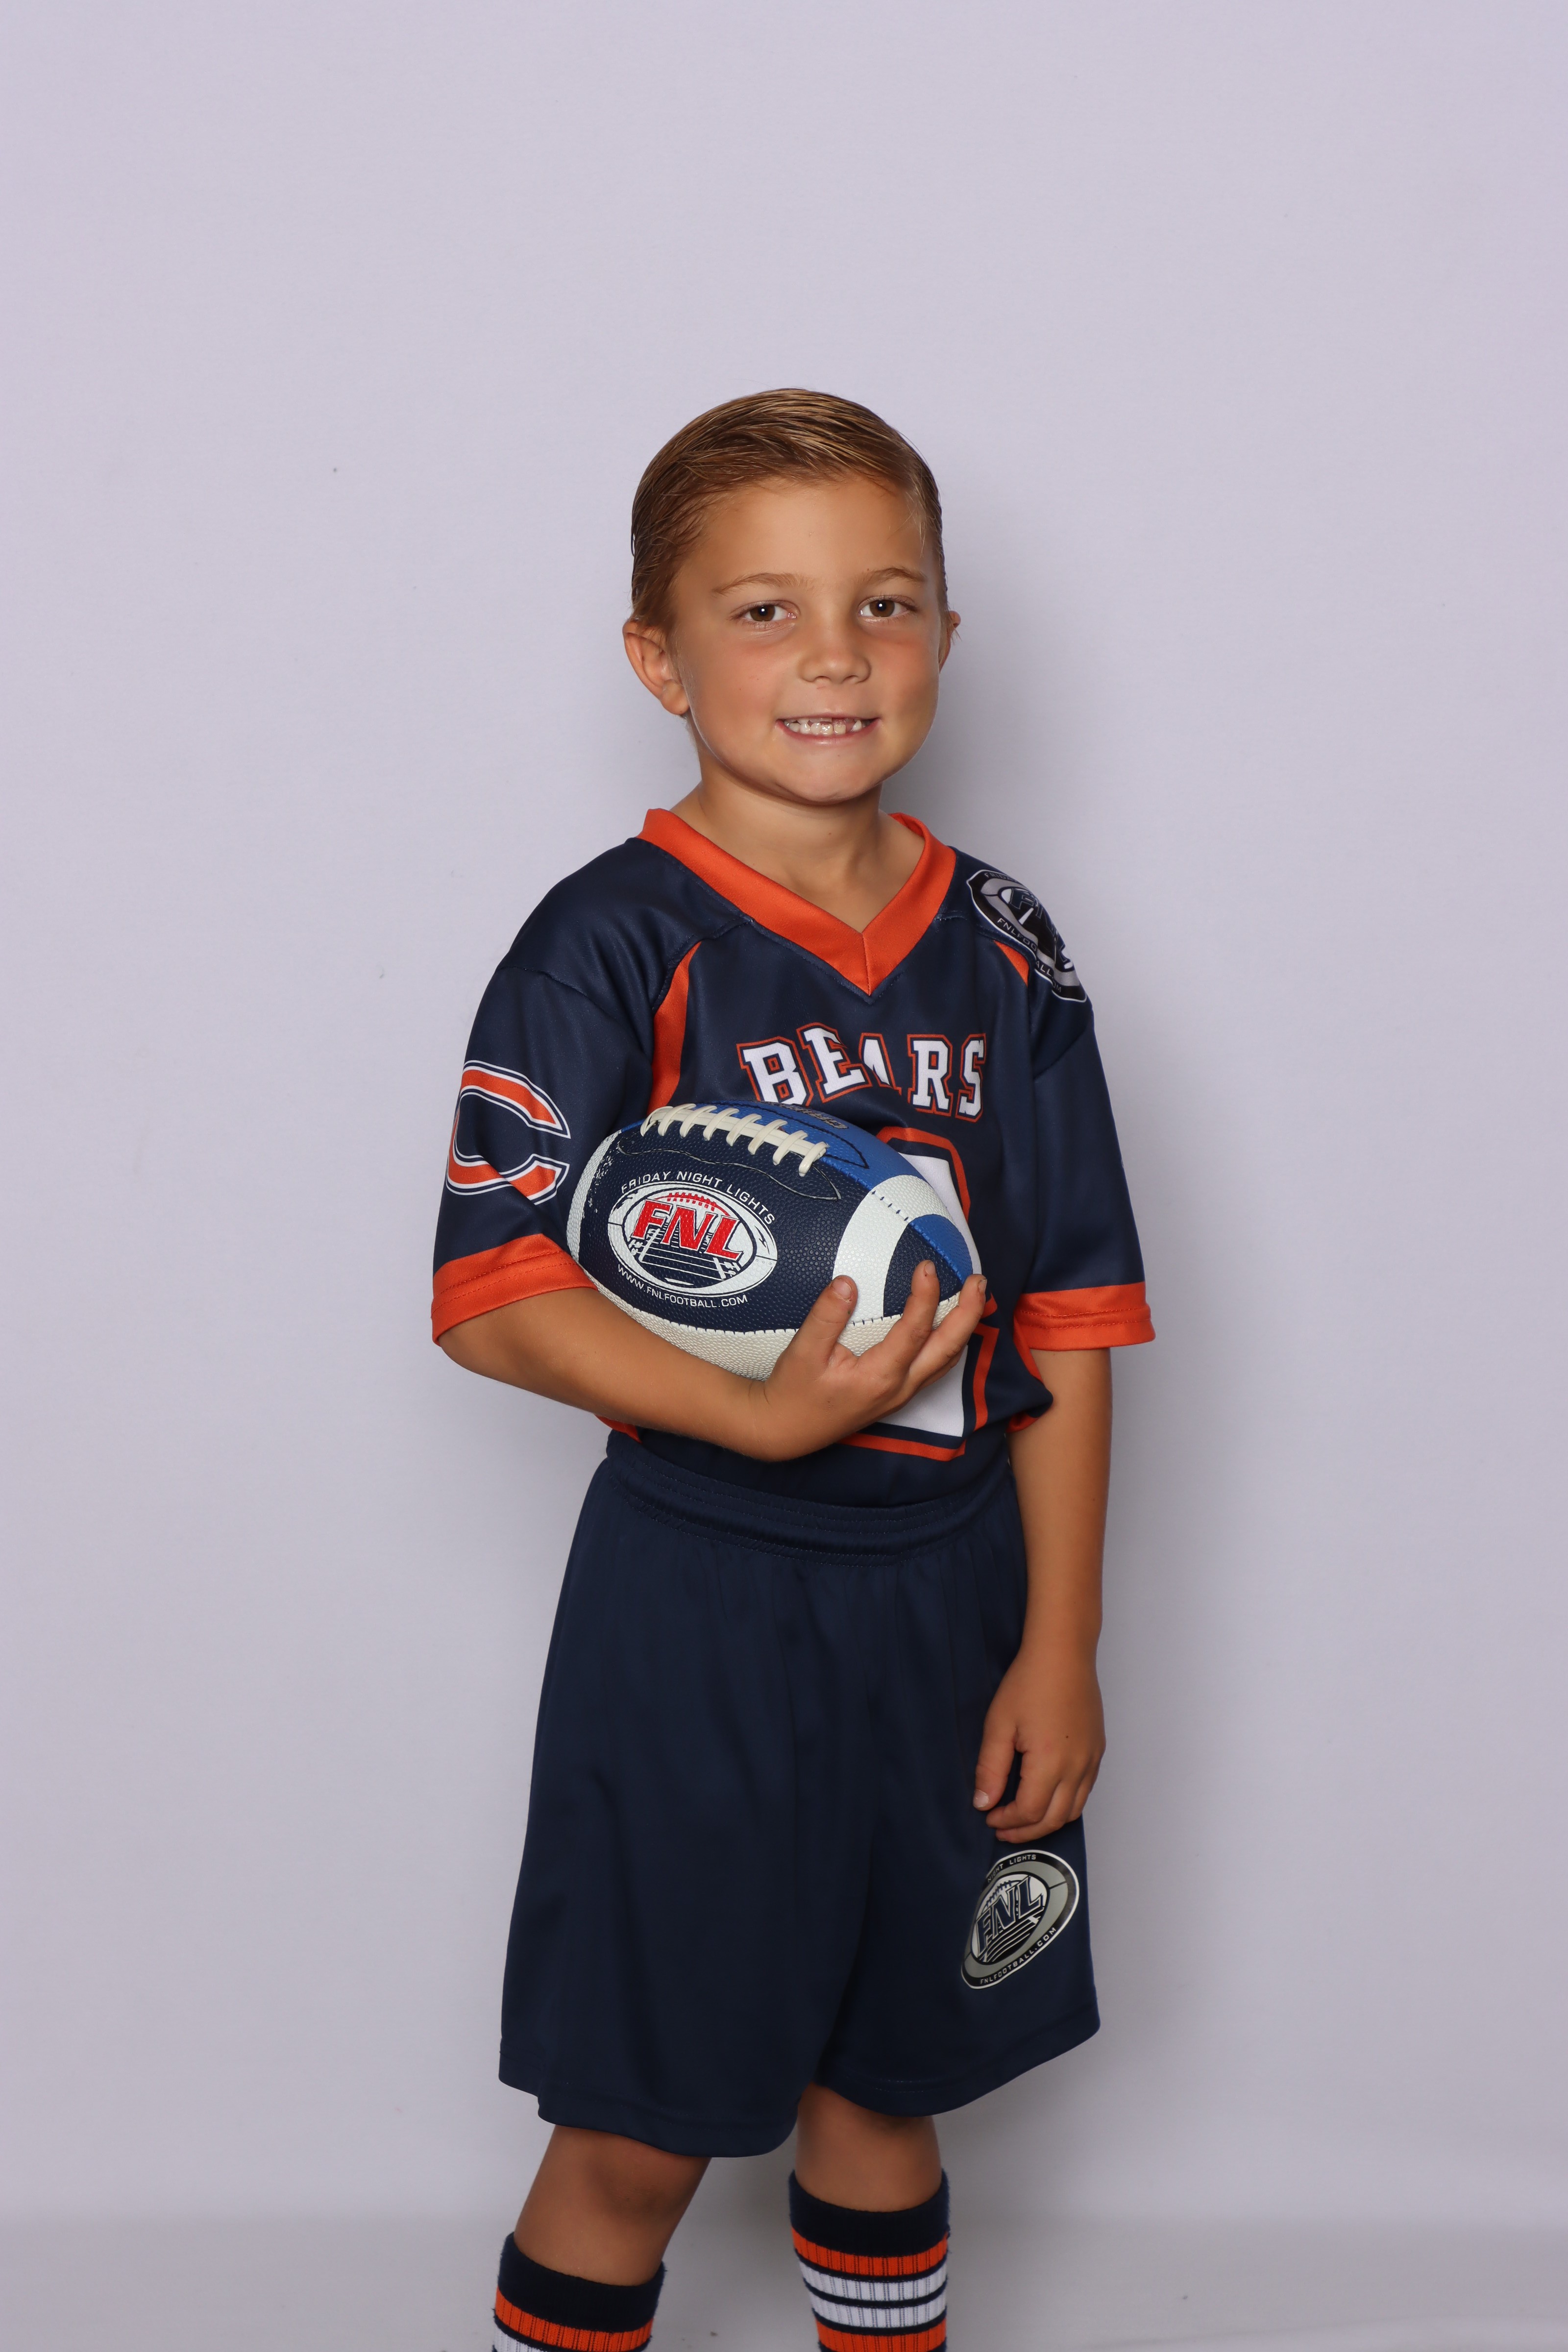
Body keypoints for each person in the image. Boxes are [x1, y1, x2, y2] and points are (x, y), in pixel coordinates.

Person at [433, 389, 1153, 2352]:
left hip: (953, 1603)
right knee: (636, 2134)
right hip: (703, 1604)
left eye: (882, 603)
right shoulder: (608, 941)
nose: (833, 654)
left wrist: (1061, 1641)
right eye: (764, 611)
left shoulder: (1003, 945)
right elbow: (490, 1294)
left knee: (885, 2093)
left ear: (944, 633)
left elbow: (1072, 1314)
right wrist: (761, 1412)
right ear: (658, 656)